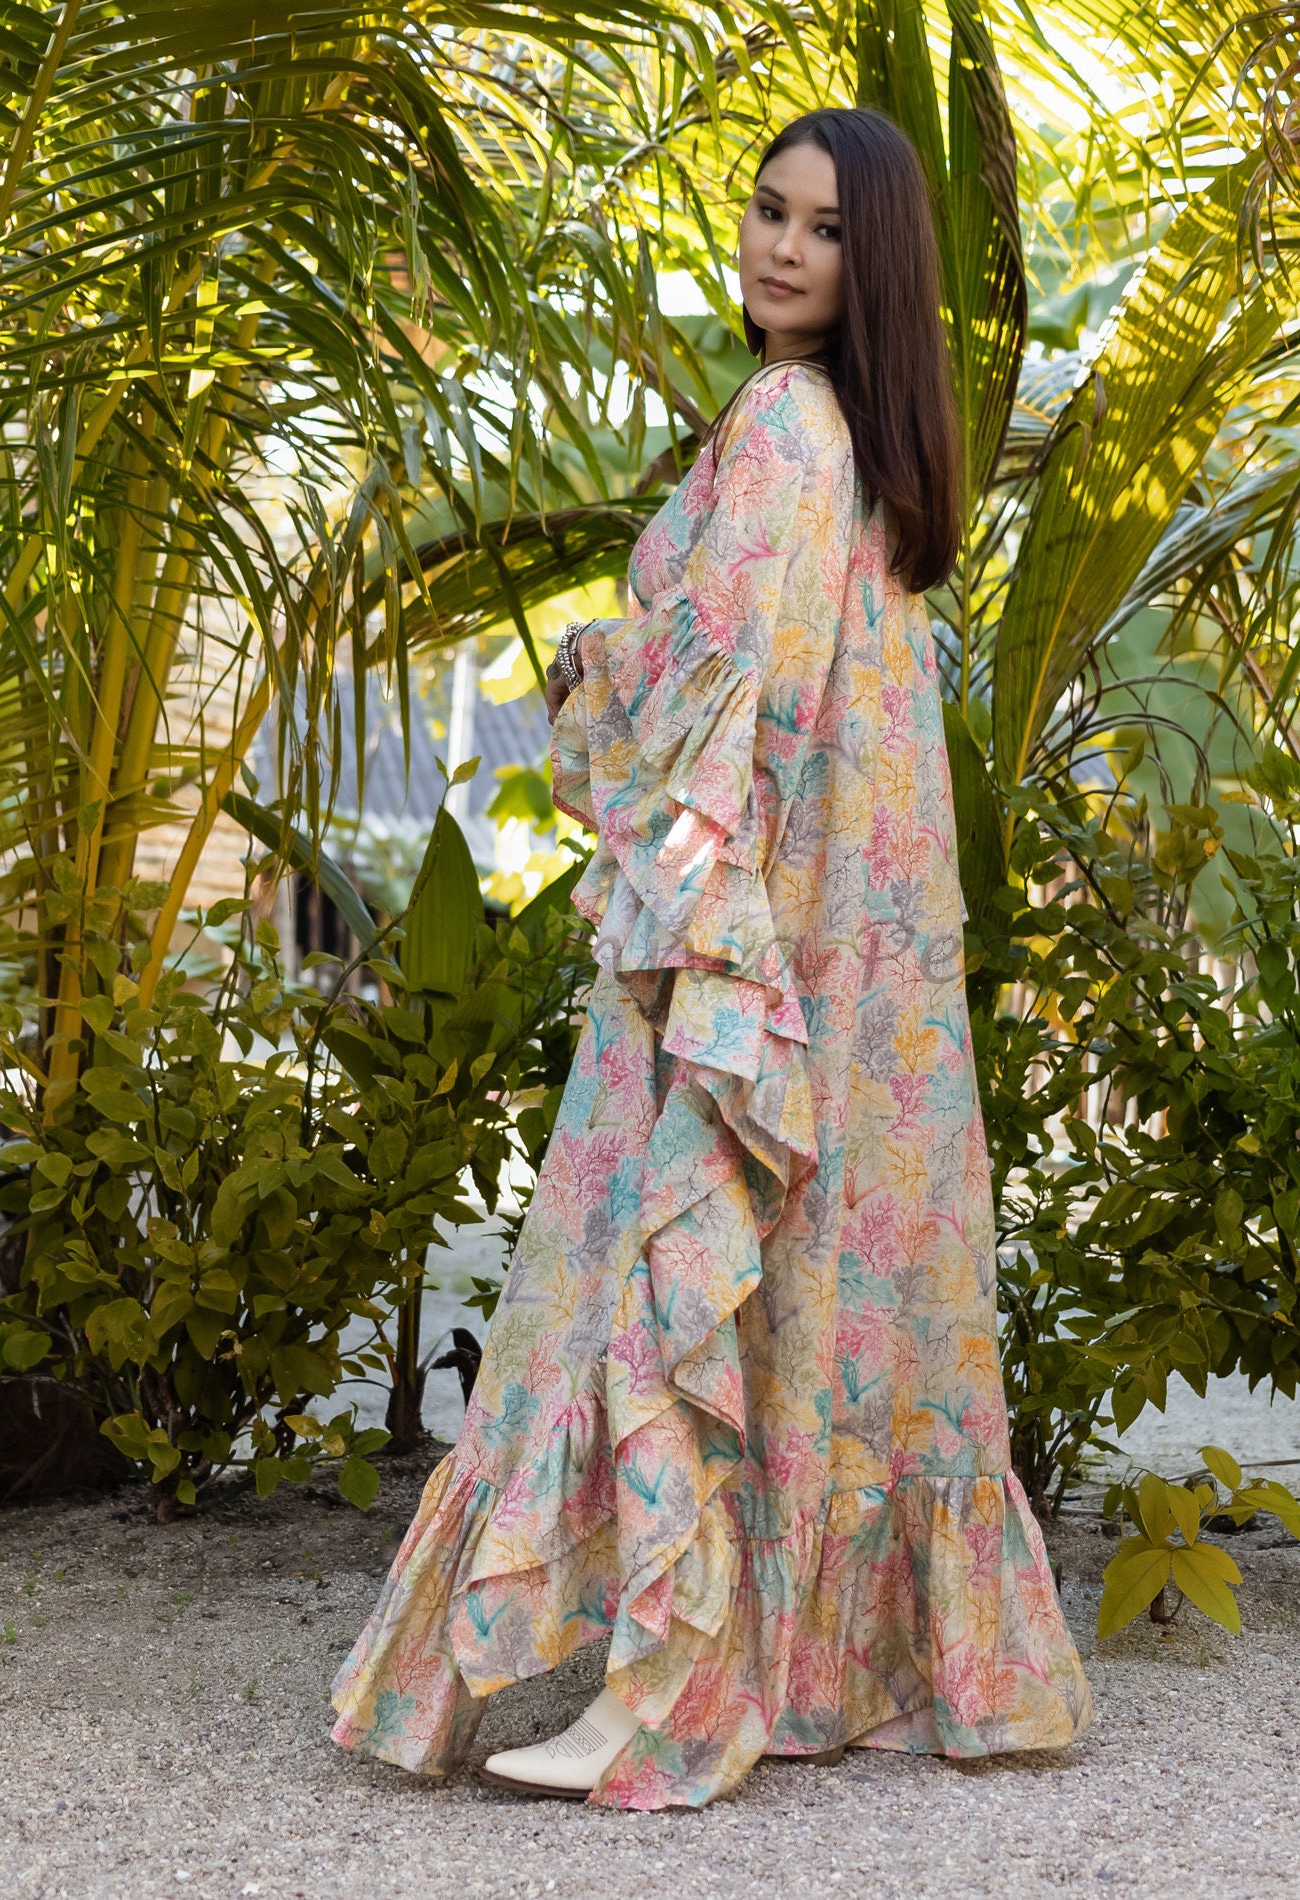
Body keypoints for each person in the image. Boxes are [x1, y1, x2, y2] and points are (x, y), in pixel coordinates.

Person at [329, 104, 1092, 1812]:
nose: (782, 248)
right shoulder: (868, 454)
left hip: (739, 946)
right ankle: (814, 1662)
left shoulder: (783, 425)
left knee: (639, 1279)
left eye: (824, 229)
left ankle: (670, 1694)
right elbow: (789, 700)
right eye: (768, 210)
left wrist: (683, 930)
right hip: (848, 967)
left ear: (872, 266)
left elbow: (735, 713)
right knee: (808, 1314)